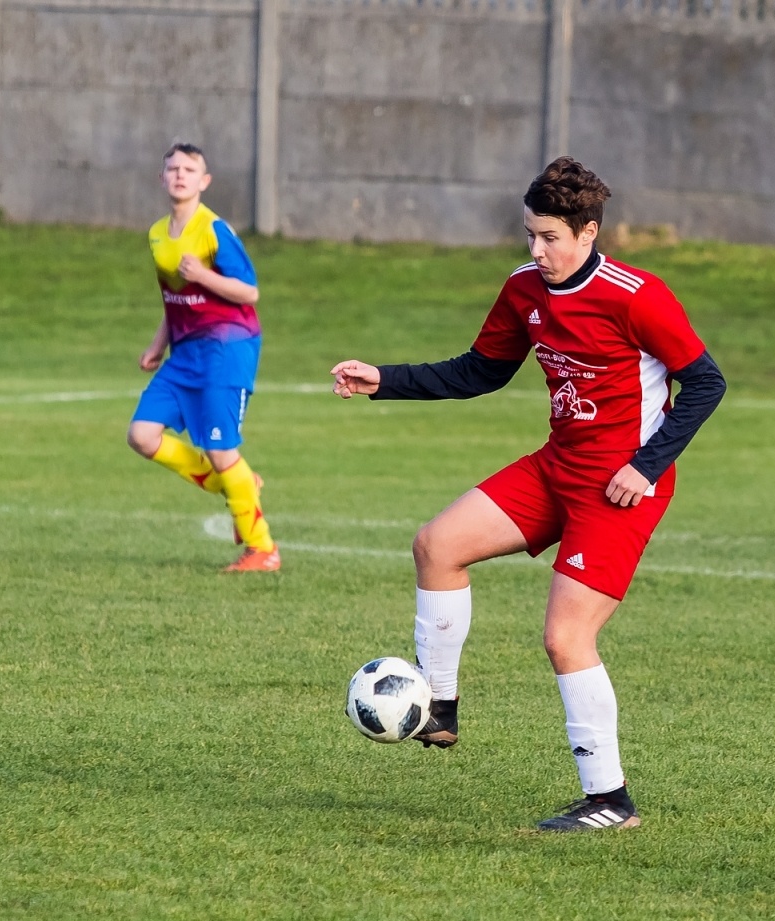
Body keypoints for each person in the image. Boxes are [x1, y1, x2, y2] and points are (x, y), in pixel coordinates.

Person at [330, 158, 726, 832]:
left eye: (548, 237)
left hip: (619, 487)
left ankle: (610, 800)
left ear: (588, 233)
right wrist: (385, 379)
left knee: (566, 637)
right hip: (557, 467)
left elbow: (706, 383)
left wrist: (648, 465)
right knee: (437, 545)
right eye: (529, 235)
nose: (535, 250)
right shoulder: (524, 291)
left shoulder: (637, 295)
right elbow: (479, 371)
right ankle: (440, 709)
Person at [126, 143, 277, 572]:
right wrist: (158, 344)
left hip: (226, 350)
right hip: (184, 351)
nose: (179, 175)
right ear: (162, 178)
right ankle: (240, 484)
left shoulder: (214, 231)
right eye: (172, 168)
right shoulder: (157, 233)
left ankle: (262, 548)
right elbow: (177, 300)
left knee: (221, 451)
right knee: (141, 435)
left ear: (203, 181)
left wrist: (204, 274)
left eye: (189, 170)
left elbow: (250, 292)